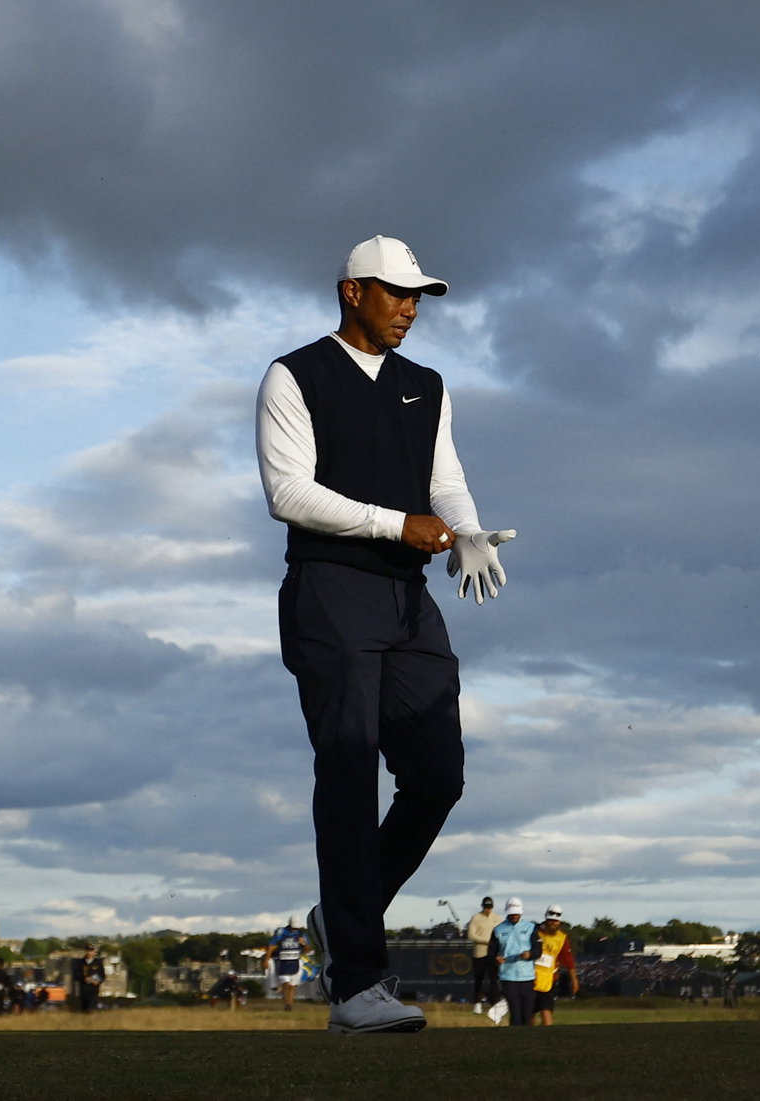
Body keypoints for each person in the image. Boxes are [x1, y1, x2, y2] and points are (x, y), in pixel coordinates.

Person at [257, 234, 516, 1034]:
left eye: (418, 296)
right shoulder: (294, 374)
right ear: (350, 292)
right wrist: (394, 523)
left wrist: (465, 532)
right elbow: (288, 493)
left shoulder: (426, 384)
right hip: (331, 593)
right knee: (346, 776)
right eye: (396, 292)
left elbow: (445, 479)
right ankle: (357, 985)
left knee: (438, 776)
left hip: (407, 602)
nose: (409, 307)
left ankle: (344, 915)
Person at [492, 898, 538, 1026]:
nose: (514, 916)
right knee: (515, 1013)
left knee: (527, 1015)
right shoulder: (498, 930)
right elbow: (491, 952)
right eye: (512, 913)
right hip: (508, 977)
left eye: (516, 913)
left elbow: (538, 950)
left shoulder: (531, 928)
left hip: (527, 977)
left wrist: (530, 954)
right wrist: (496, 959)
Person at [532, 905, 579, 1025]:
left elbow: (568, 960)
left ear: (559, 921)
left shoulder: (561, 938)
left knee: (546, 1010)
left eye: (555, 921)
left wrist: (574, 980)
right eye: (550, 920)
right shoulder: (533, 932)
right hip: (530, 977)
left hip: (549, 979)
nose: (553, 923)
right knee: (530, 1012)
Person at [267, 917, 311, 1011]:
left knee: (292, 986)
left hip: (295, 963)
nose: (295, 930)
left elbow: (308, 950)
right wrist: (267, 959)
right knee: (285, 984)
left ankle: (289, 1004)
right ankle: (286, 1003)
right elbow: (271, 945)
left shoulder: (302, 934)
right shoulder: (281, 932)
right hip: (283, 963)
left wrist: (304, 944)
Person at [466, 896, 500, 1012]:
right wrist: (486, 940)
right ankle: (477, 1003)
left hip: (493, 953)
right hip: (479, 953)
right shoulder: (476, 918)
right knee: (479, 978)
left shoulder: (497, 918)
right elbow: (471, 935)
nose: (487, 910)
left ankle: (494, 1004)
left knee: (494, 979)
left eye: (489, 907)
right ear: (482, 907)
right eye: (486, 907)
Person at [71, 946, 106, 1012]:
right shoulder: (80, 963)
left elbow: (102, 976)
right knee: (84, 1010)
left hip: (94, 990)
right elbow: (75, 976)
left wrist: (98, 982)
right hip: (83, 990)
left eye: (91, 951)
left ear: (94, 952)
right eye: (88, 951)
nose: (89, 953)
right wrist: (84, 978)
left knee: (91, 1009)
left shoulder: (98, 963)